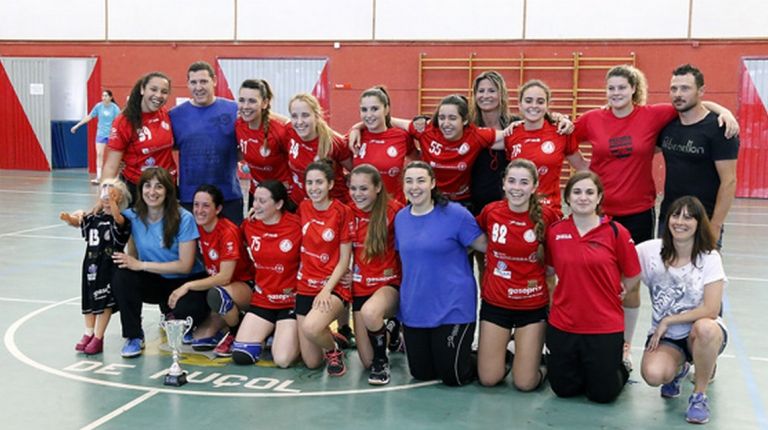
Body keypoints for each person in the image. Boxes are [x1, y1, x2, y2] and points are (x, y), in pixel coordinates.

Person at [571, 64, 737, 371]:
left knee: (684, 281)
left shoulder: (662, 117)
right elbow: (567, 137)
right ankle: (605, 341)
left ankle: (699, 352)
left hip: (653, 215)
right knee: (612, 279)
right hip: (633, 215)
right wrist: (587, 174)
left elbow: (695, 109)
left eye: (622, 87)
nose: (678, 94)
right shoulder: (602, 119)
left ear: (634, 89)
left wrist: (723, 109)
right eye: (611, 88)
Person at [545, 171, 641, 403]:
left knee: (602, 395)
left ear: (599, 198)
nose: (583, 197)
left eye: (590, 192)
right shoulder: (555, 232)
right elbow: (548, 271)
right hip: (564, 324)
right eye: (576, 192)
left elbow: (633, 274)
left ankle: (622, 365)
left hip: (603, 325)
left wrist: (618, 290)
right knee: (563, 390)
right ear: (567, 198)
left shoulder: (616, 232)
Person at [394, 160, 487, 386]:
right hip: (416, 308)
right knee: (421, 373)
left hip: (452, 306)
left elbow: (484, 245)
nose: (414, 187)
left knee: (454, 376)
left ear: (433, 183)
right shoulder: (401, 218)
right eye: (409, 181)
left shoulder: (456, 214)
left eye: (421, 180)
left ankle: (490, 359)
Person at [637, 196, 727, 424]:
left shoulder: (709, 258)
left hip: (701, 332)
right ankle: (679, 368)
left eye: (688, 217)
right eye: (676, 215)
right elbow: (617, 259)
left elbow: (711, 309)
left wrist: (668, 320)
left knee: (706, 329)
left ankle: (699, 395)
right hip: (668, 339)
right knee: (654, 375)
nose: (680, 222)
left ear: (699, 223)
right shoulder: (650, 251)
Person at [475, 159, 559, 389]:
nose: (516, 188)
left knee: (525, 384)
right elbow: (474, 240)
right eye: (511, 181)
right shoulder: (491, 212)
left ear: (534, 187)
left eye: (524, 182)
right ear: (503, 184)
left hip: (531, 306)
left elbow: (556, 262)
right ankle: (512, 352)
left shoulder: (549, 217)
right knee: (489, 379)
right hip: (496, 303)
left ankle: (541, 363)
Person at [110, 167, 207, 358]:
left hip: (184, 282)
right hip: (155, 280)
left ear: (168, 191)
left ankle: (178, 314)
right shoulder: (132, 216)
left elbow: (185, 265)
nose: (152, 192)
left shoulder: (184, 218)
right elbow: (102, 214)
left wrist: (141, 265)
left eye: (159, 187)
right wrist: (79, 217)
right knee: (122, 275)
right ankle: (134, 336)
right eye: (147, 186)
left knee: (187, 314)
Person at [658, 64, 740, 247]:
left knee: (704, 275)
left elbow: (729, 182)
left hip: (703, 221)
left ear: (701, 90)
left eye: (685, 88)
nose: (678, 94)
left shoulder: (720, 128)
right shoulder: (667, 124)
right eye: (674, 89)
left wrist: (715, 226)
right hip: (669, 219)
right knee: (666, 274)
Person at [170, 184, 254, 356]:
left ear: (218, 209)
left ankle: (236, 333)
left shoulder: (227, 231)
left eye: (206, 205)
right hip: (218, 289)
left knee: (217, 293)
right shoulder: (196, 226)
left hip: (243, 286)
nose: (199, 210)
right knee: (200, 340)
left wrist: (188, 286)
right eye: (196, 204)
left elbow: (224, 277)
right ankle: (235, 318)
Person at [59, 178, 132, 355]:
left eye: (111, 192)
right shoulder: (94, 217)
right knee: (89, 299)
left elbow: (119, 220)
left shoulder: (121, 219)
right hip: (90, 263)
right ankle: (88, 332)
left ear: (119, 196)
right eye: (104, 191)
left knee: (104, 300)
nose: (107, 196)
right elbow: (80, 221)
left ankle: (99, 337)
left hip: (108, 265)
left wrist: (113, 202)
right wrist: (69, 218)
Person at [295, 160, 354, 376]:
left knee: (311, 328)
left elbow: (344, 260)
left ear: (330, 184)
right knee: (311, 362)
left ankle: (333, 349)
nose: (314, 188)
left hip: (333, 286)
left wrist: (326, 289)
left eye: (319, 182)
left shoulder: (342, 212)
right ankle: (328, 334)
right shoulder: (302, 207)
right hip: (304, 285)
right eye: (309, 183)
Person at [235, 180, 301, 367]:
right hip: (263, 300)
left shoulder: (296, 226)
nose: (256, 205)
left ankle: (314, 336)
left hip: (291, 302)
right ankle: (272, 333)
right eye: (255, 200)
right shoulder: (249, 225)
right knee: (242, 356)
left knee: (282, 360)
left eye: (262, 201)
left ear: (279, 204)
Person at [170, 61, 243, 224]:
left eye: (203, 81)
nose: (199, 87)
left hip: (228, 197)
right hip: (190, 198)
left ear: (214, 81)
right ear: (187, 84)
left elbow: (261, 122)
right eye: (194, 82)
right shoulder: (174, 116)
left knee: (233, 248)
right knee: (193, 249)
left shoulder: (234, 109)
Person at [348, 164, 402, 385]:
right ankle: (391, 328)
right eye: (353, 188)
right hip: (360, 287)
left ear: (378, 187)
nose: (357, 194)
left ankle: (382, 362)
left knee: (371, 312)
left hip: (388, 285)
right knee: (365, 360)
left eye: (363, 188)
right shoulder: (346, 212)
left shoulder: (394, 211)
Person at [504, 79, 587, 217]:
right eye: (529, 100)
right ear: (519, 105)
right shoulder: (511, 133)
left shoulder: (561, 132)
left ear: (548, 105)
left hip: (549, 211)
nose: (534, 105)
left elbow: (583, 166)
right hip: (517, 209)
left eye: (540, 101)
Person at [103, 72, 175, 201]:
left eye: (164, 91)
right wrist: (103, 196)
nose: (158, 95)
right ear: (142, 89)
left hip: (167, 186)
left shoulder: (165, 114)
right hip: (137, 190)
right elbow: (111, 165)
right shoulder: (124, 121)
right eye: (153, 89)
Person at [285, 93, 353, 204]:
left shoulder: (334, 143)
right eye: (294, 116)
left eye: (305, 115)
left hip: (332, 208)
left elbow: (355, 171)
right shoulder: (290, 131)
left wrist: (357, 128)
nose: (299, 121)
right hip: (302, 205)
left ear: (316, 116)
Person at [352, 86, 416, 203]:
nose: (369, 114)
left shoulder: (401, 136)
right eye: (364, 110)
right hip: (363, 209)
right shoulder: (355, 138)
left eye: (375, 109)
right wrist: (355, 128)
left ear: (386, 109)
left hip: (394, 209)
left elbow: (419, 159)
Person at [236, 79, 291, 210]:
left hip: (281, 197)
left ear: (265, 103)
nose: (245, 106)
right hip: (256, 195)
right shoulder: (238, 125)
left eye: (252, 101)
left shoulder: (279, 131)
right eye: (242, 100)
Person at [70, 89, 121, 184]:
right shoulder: (98, 106)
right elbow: (89, 117)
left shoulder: (115, 108)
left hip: (111, 135)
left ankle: (115, 177)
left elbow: (119, 122)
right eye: (103, 96)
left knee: (113, 156)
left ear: (110, 97)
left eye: (106, 96)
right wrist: (77, 126)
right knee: (99, 154)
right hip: (101, 134)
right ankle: (99, 177)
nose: (103, 98)